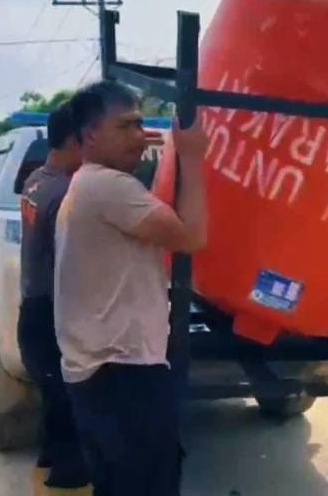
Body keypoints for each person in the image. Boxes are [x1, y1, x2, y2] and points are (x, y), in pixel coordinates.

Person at [54, 81, 207, 496]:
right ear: (89, 135)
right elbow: (191, 237)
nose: (140, 136)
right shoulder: (107, 186)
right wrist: (192, 158)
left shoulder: (90, 184)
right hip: (122, 374)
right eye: (126, 126)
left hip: (104, 372)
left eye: (141, 125)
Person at [17, 104, 89, 496]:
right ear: (77, 141)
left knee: (55, 413)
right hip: (53, 315)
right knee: (71, 418)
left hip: (34, 309)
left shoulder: (36, 179)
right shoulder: (65, 195)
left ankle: (45, 483)